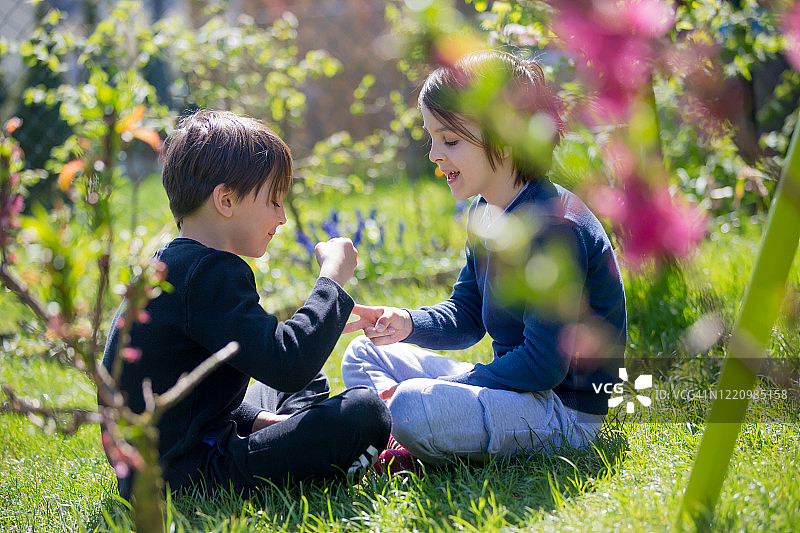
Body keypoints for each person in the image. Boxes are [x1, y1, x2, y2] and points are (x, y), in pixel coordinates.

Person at [341, 50, 626, 466]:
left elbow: (544, 365)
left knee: (411, 404)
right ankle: (410, 440)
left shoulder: (553, 227)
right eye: (432, 138)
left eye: (451, 140)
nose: (435, 154)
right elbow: (467, 315)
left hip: (563, 413)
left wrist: (462, 381)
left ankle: (406, 437)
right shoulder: (485, 212)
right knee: (363, 355)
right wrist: (406, 321)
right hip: (513, 391)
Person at [101, 110, 391, 498]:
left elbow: (194, 392)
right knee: (364, 413)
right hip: (192, 476)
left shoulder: (173, 264)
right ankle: (323, 455)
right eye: (273, 200)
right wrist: (332, 281)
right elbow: (288, 364)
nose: (283, 217)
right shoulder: (210, 274)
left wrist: (266, 421)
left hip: (161, 460)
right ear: (226, 200)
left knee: (311, 383)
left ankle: (289, 434)